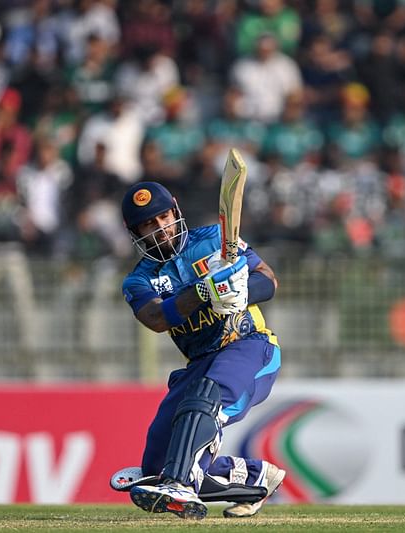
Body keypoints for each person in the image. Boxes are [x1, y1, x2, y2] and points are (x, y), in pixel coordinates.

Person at [113, 181, 285, 520]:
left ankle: (179, 483)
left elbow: (269, 280)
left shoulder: (214, 241)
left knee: (205, 399)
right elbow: (157, 318)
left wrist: (242, 291)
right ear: (135, 232)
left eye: (163, 217)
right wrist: (206, 292)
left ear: (175, 211)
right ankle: (256, 478)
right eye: (149, 224)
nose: (161, 228)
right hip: (200, 362)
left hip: (249, 346)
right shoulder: (139, 280)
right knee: (158, 464)